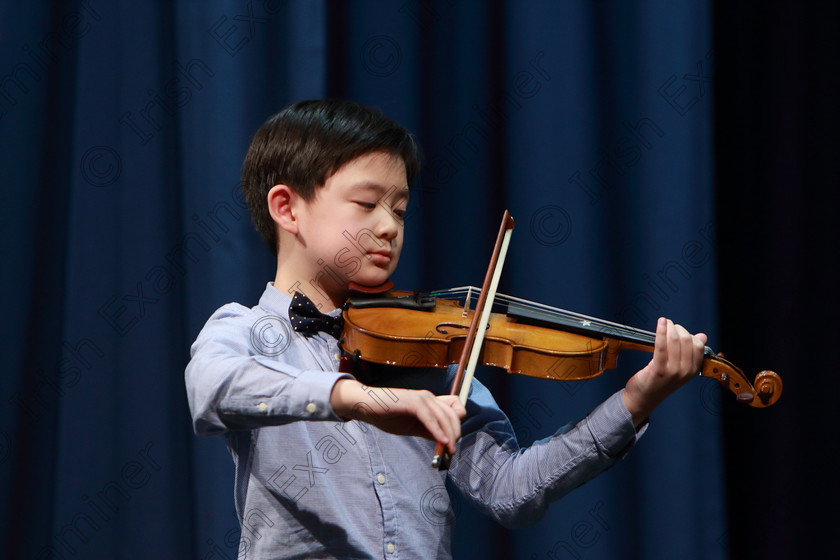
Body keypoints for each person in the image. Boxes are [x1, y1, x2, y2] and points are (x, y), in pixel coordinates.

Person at [184, 99, 707, 559]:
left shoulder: (423, 356)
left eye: (400, 209)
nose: (389, 226)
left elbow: (510, 492)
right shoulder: (245, 331)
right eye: (367, 204)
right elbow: (211, 388)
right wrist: (360, 398)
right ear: (287, 207)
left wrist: (635, 402)